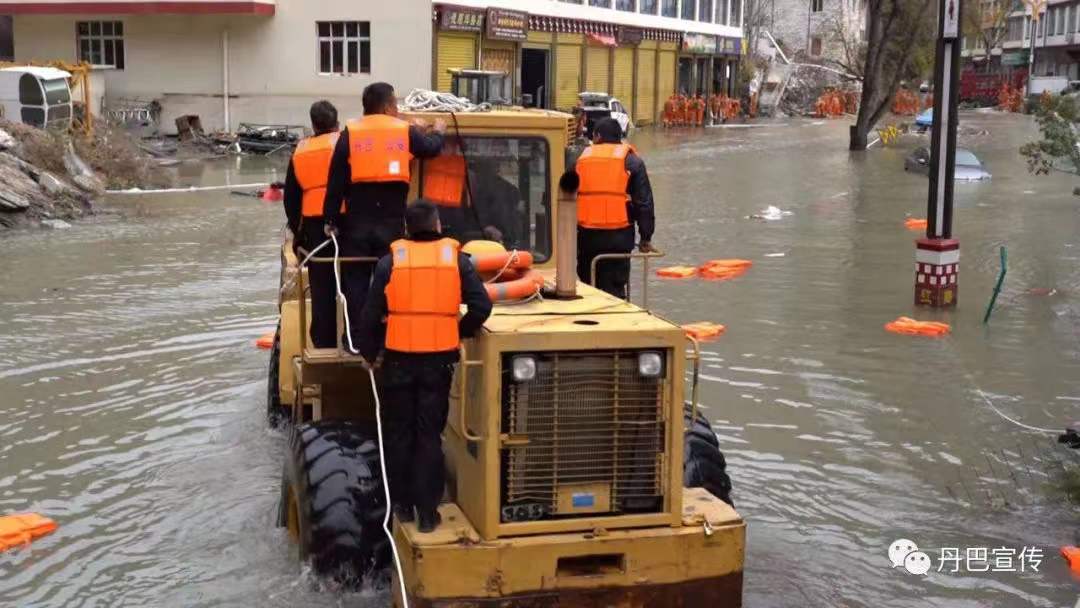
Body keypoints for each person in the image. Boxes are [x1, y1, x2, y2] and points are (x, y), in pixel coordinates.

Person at [357, 200, 492, 533]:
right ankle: (428, 512)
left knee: (399, 433)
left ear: (406, 229)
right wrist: (458, 330)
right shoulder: (456, 261)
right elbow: (481, 305)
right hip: (438, 361)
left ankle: (400, 506)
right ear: (437, 224)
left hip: (399, 360)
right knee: (429, 435)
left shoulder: (390, 263)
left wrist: (369, 352)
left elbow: (370, 313)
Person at [322, 82, 447, 351]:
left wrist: (330, 220)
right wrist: (438, 130)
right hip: (391, 224)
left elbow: (335, 182)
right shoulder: (403, 131)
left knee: (355, 282)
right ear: (388, 106)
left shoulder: (350, 133)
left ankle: (355, 340)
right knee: (390, 280)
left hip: (356, 224)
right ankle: (386, 336)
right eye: (396, 104)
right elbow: (430, 149)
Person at [574, 117, 657, 299]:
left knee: (588, 288)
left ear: (597, 136)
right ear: (620, 137)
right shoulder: (633, 161)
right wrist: (645, 237)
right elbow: (644, 203)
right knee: (614, 291)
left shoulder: (580, 159)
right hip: (618, 241)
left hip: (587, 240)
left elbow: (562, 197)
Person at [283, 100, 342, 348]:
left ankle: (324, 342)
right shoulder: (346, 143)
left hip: (316, 232)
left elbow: (291, 200)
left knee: (322, 288)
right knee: (354, 282)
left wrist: (298, 234)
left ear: (313, 125)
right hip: (346, 225)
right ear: (337, 122)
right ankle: (354, 339)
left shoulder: (300, 151)